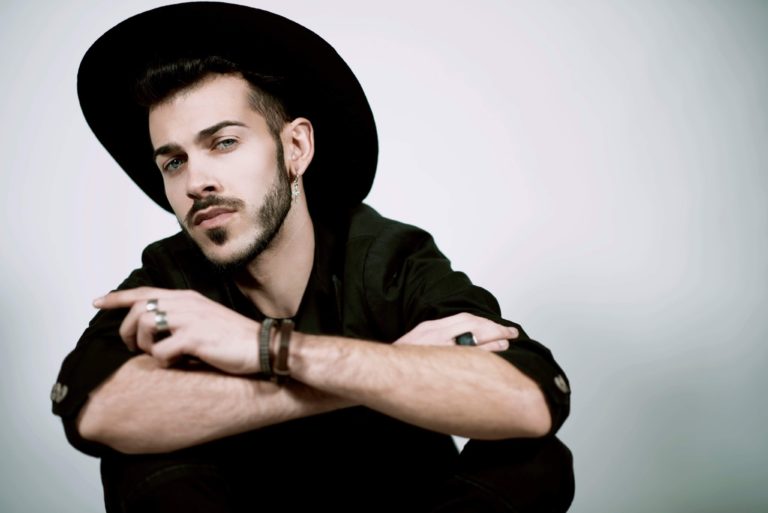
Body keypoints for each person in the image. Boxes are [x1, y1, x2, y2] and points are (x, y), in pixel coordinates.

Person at [51, 3, 574, 512]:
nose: (195, 181)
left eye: (224, 143)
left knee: (532, 459)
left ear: (296, 147)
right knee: (137, 457)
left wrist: (267, 350)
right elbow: (96, 412)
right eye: (173, 162)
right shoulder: (169, 277)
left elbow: (529, 401)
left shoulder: (385, 257)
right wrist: (345, 377)